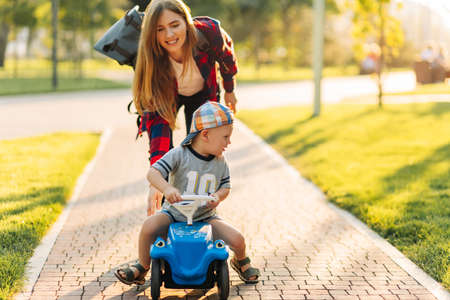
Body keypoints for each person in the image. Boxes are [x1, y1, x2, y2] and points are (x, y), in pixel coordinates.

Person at [114, 102, 260, 285]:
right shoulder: (179, 154)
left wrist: (218, 197)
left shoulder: (220, 162)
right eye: (225, 137)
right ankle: (142, 266)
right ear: (205, 134)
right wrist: (167, 188)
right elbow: (153, 173)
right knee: (149, 227)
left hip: (206, 217)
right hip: (174, 214)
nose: (229, 143)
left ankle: (241, 262)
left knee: (238, 240)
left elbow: (226, 186)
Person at [132, 0, 239, 216]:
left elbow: (226, 57)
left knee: (201, 145)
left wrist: (229, 89)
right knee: (170, 156)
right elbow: (158, 125)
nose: (169, 35)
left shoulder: (208, 33)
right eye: (159, 29)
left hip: (204, 93)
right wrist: (157, 180)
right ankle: (169, 210)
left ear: (186, 22)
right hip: (170, 94)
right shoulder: (152, 60)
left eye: (175, 25)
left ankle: (200, 207)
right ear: (152, 34)